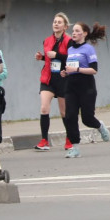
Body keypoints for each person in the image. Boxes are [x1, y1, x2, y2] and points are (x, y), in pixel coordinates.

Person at [61, 23, 110, 157]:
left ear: (84, 34)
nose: (74, 33)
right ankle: (75, 147)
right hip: (71, 86)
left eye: (77, 31)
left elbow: (94, 70)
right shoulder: (70, 49)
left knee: (87, 118)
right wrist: (65, 72)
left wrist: (76, 70)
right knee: (70, 116)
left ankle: (100, 126)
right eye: (73, 31)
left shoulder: (88, 49)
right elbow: (70, 67)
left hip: (86, 86)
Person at [33, 13, 72, 151]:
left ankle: (69, 139)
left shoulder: (69, 41)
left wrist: (57, 55)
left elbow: (71, 59)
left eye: (59, 22)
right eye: (54, 21)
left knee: (63, 112)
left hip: (63, 79)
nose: (56, 24)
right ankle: (44, 140)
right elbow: (50, 60)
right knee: (44, 108)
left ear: (65, 26)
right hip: (48, 78)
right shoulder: (47, 40)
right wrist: (42, 57)